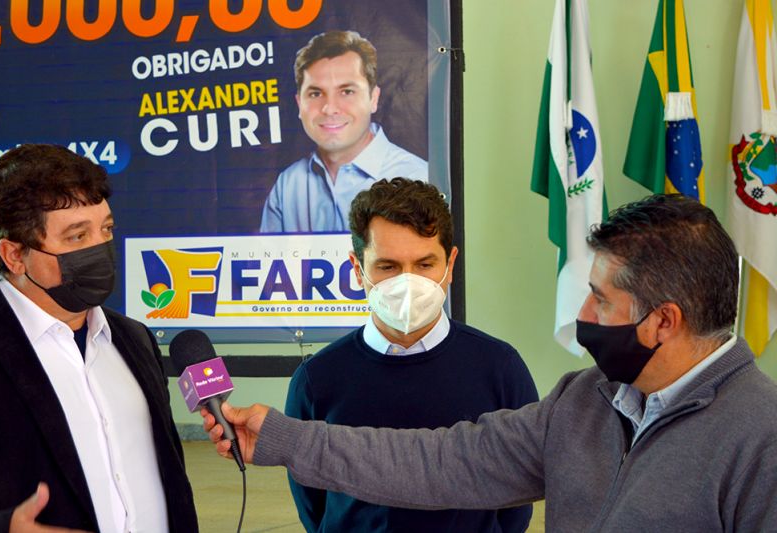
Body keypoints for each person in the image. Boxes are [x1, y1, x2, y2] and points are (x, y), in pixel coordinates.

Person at [206, 194, 777, 531]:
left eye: (600, 299)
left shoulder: (761, 439)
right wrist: (281, 438)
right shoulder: (583, 401)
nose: (582, 315)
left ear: (663, 321)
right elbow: (439, 462)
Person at [283, 178, 538, 532]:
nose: (407, 283)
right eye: (387, 267)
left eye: (424, 264)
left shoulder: (500, 368)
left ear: (450, 264)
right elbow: (313, 502)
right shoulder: (316, 380)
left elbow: (517, 497)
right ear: (357, 269)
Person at [0, 144, 198, 532]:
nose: (100, 248)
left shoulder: (134, 339)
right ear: (13, 255)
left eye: (106, 229)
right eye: (77, 236)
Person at [259, 30, 428, 233]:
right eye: (315, 93)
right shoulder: (287, 185)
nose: (329, 108)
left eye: (347, 91)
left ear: (373, 99)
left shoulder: (418, 179)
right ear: (299, 104)